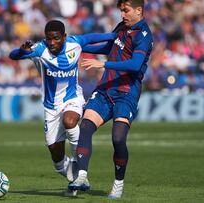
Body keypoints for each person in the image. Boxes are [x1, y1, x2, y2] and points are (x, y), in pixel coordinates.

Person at [9, 20, 116, 196]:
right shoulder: (39, 49)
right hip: (51, 107)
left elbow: (92, 38)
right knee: (56, 156)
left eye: (56, 38)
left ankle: (81, 169)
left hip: (72, 98)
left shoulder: (75, 43)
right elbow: (13, 56)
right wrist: (22, 51)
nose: (52, 43)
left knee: (70, 121)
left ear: (64, 37)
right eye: (49, 39)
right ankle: (73, 176)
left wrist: (114, 35)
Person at [68, 0, 153, 199]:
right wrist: (81, 47)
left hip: (126, 92)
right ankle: (82, 176)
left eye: (126, 10)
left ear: (139, 10)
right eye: (121, 10)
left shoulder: (144, 35)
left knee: (118, 139)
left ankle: (118, 183)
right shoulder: (122, 27)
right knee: (86, 126)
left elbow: (135, 64)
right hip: (106, 88)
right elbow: (110, 47)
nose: (122, 14)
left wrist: (103, 64)